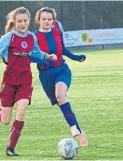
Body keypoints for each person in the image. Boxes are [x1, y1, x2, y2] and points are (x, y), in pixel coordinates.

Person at [0, 7, 57, 156]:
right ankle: (0, 113)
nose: (23, 24)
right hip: (9, 81)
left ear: (29, 20)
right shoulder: (8, 37)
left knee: (21, 109)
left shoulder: (32, 37)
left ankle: (10, 148)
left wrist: (47, 56)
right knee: (5, 121)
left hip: (25, 80)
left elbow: (36, 52)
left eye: (25, 21)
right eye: (19, 21)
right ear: (14, 22)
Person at [34, 7, 88, 148]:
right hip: (45, 75)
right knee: (62, 103)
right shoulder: (33, 37)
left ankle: (73, 129)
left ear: (53, 20)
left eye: (49, 19)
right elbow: (32, 56)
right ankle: (80, 131)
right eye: (44, 19)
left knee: (60, 95)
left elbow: (63, 49)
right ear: (38, 20)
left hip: (61, 70)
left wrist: (76, 58)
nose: (47, 21)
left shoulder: (58, 33)